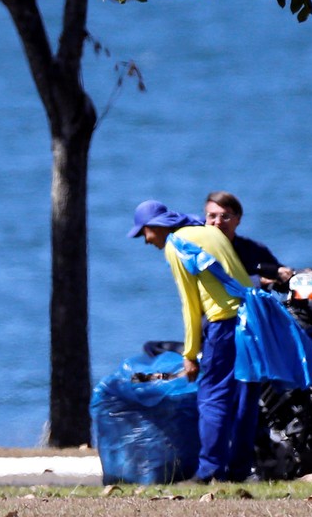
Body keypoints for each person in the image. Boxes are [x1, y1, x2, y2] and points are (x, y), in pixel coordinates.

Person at [128, 200, 258, 483]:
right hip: (251, 319)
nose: (146, 241)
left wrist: (190, 353)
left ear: (155, 227)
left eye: (144, 234)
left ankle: (209, 471)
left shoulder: (177, 245)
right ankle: (239, 470)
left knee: (212, 397)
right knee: (244, 398)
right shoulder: (206, 230)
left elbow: (190, 305)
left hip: (223, 322)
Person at [204, 191, 293, 291]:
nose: (218, 222)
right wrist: (258, 281)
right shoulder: (198, 250)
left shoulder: (255, 250)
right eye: (212, 216)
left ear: (238, 219)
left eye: (225, 216)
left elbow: (282, 275)